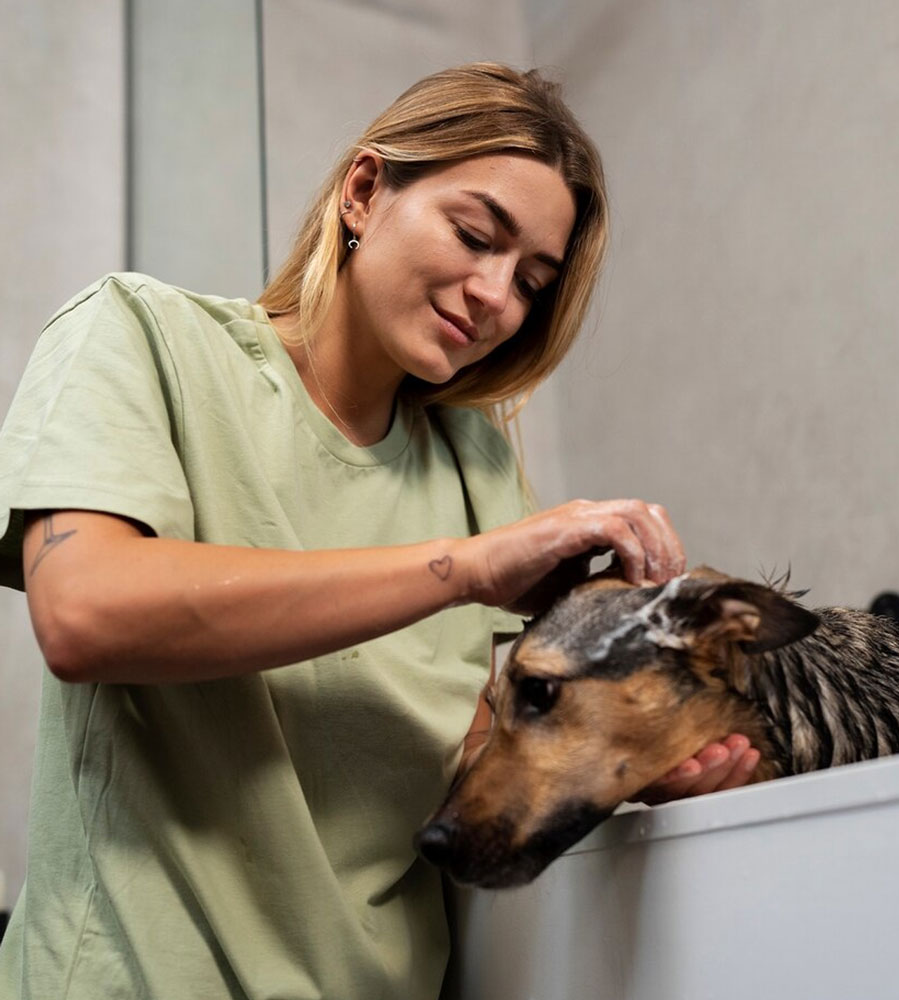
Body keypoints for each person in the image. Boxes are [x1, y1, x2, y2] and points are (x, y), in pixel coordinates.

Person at [0, 63, 757, 1000]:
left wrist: (629, 768)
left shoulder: (474, 461)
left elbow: (475, 756)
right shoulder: (136, 335)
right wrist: (466, 568)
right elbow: (84, 615)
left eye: (531, 280)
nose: (496, 297)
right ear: (364, 192)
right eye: (475, 236)